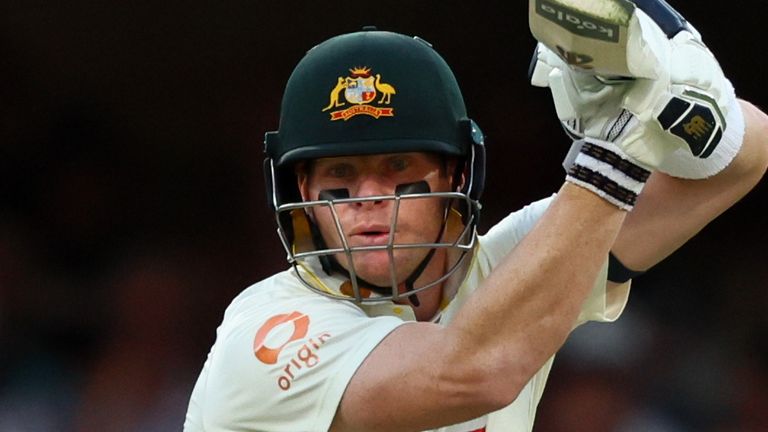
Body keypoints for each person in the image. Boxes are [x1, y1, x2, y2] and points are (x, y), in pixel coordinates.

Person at [184, 1, 767, 431]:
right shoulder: (265, 336)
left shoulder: (511, 268)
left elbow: (748, 156)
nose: (367, 197)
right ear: (300, 189)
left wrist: (671, 86)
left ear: (456, 177)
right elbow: (472, 371)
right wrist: (614, 152)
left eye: (397, 166)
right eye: (337, 176)